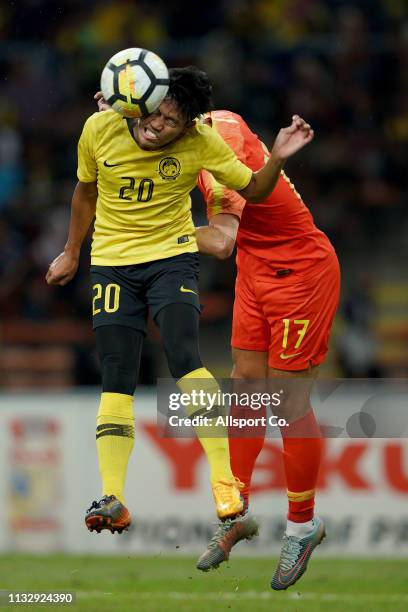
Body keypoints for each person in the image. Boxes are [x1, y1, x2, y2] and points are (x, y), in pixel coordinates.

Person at [46, 66, 314, 538]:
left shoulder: (203, 142)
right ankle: (113, 498)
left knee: (185, 356)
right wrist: (71, 252)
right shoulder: (100, 127)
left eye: (170, 122)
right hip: (111, 262)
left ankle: (224, 483)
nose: (157, 127)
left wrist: (279, 159)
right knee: (116, 375)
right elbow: (84, 192)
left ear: (188, 125)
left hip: (172, 257)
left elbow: (253, 189)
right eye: (155, 115)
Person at [193, 110, 340, 590]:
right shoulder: (193, 128)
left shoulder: (225, 153)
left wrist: (150, 237)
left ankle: (302, 526)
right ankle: (238, 511)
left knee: (286, 400)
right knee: (247, 390)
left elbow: (220, 241)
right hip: (256, 270)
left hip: (299, 272)